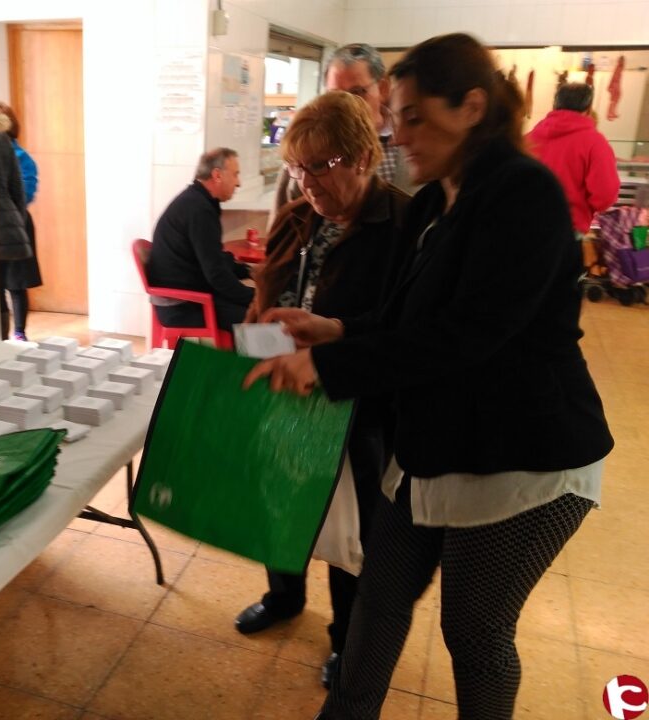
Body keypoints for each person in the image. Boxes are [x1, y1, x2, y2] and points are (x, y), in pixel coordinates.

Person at [244, 33, 613, 720]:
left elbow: (467, 336)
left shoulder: (523, 192)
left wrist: (326, 364)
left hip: (522, 456)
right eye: (396, 116)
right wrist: (335, 329)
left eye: (413, 116)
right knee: (377, 601)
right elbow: (404, 319)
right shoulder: (433, 201)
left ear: (471, 107)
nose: (399, 133)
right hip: (434, 443)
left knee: (474, 633)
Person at [233, 92, 411, 689]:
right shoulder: (296, 215)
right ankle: (283, 597)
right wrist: (252, 341)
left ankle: (345, 639)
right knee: (279, 503)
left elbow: (404, 331)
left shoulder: (403, 224)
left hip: (356, 402)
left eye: (320, 166)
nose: (306, 182)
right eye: (297, 167)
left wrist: (330, 341)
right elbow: (267, 293)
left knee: (349, 529)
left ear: (363, 156)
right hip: (285, 389)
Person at [269, 43, 415, 229]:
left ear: (383, 88)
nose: (344, 105)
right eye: (336, 95)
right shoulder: (305, 149)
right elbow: (281, 223)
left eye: (357, 93)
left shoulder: (411, 142)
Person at [147, 148, 253, 333]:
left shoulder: (197, 201)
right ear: (217, 175)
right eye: (235, 175)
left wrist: (247, 271)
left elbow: (214, 259)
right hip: (182, 305)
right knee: (259, 316)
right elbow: (216, 274)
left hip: (191, 295)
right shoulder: (199, 209)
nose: (239, 183)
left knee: (255, 305)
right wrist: (256, 298)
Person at [526, 83, 620, 236]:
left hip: (526, 225)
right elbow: (605, 196)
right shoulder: (595, 143)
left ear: (555, 105)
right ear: (588, 109)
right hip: (568, 229)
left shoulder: (528, 139)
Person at [0, 103, 43, 341]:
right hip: (5, 224)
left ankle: (19, 332)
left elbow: (26, 193)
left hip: (16, 225)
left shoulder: (21, 157)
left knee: (16, 283)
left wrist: (12, 215)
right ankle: (3, 335)